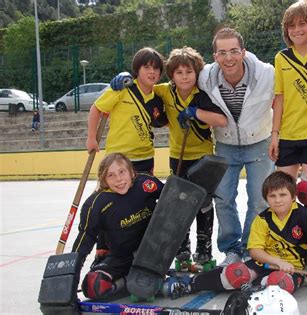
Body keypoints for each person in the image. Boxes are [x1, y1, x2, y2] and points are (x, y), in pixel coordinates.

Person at [109, 47, 228, 266]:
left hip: (202, 158)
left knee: (203, 202)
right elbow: (144, 86)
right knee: (178, 204)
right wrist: (126, 77)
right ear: (171, 75)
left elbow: (221, 120)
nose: (184, 77)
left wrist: (195, 113)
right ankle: (181, 247)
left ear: (196, 73)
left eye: (189, 72)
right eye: (179, 72)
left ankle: (204, 248)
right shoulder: (164, 91)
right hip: (178, 157)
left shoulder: (202, 94)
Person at [161, 171, 307, 301]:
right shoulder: (263, 219)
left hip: (293, 269)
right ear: (266, 198)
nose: (278, 200)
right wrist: (276, 260)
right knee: (235, 273)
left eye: (282, 195)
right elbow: (255, 251)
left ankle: (254, 287)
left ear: (292, 195)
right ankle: (189, 284)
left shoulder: (303, 215)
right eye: (272, 196)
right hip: (263, 264)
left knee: (281, 284)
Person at [198, 27, 275, 266]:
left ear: (243, 52)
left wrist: (278, 135)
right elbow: (176, 80)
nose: (228, 58)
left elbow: (288, 93)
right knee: (223, 198)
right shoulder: (205, 77)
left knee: (259, 199)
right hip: (226, 144)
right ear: (215, 57)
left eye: (234, 51)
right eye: (222, 52)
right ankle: (232, 250)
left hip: (260, 141)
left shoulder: (267, 74)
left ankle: (252, 248)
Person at [71, 153, 164, 299]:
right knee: (92, 285)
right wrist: (70, 277)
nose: (119, 179)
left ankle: (142, 281)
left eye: (122, 172)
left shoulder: (145, 183)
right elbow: (85, 239)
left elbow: (173, 197)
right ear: (103, 180)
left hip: (153, 253)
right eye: (111, 175)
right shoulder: (96, 204)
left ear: (131, 171)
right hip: (122, 257)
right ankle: (132, 282)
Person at [269, 0, 307, 211]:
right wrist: (275, 134)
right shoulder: (282, 58)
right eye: (291, 26)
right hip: (288, 135)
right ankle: (288, 240)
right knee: (283, 195)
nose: (297, 30)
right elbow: (280, 98)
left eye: (302, 24)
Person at [86, 47, 168, 174]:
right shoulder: (121, 88)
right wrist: (91, 138)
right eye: (146, 67)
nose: (152, 72)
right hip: (118, 157)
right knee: (111, 192)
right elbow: (96, 109)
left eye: (156, 68)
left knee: (143, 193)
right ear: (137, 70)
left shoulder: (157, 98)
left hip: (145, 157)